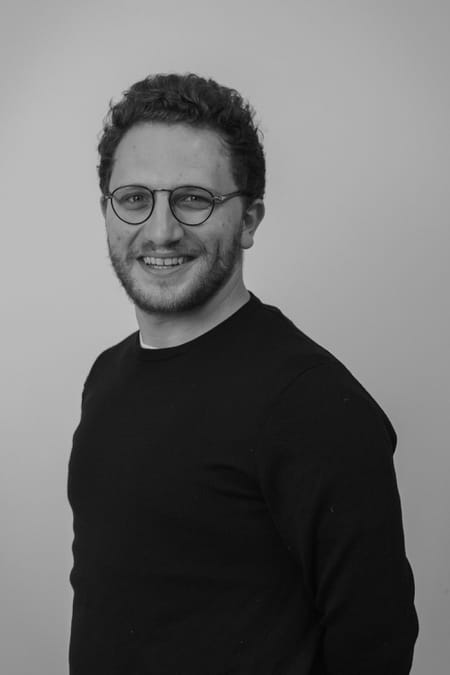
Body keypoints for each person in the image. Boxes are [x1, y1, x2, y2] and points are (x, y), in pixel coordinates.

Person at [68, 72, 419, 675]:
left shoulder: (311, 403)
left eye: (193, 199)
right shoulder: (107, 375)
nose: (161, 230)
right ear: (107, 211)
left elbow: (375, 645)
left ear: (249, 220)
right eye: (134, 198)